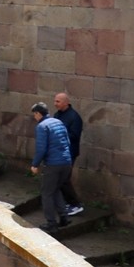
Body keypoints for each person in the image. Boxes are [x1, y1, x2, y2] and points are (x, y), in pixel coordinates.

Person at [30, 102, 74, 234]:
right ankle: (64, 217)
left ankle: (51, 223)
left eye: (34, 115)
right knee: (55, 189)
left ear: (38, 113)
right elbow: (68, 141)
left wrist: (35, 164)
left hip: (53, 164)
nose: (34, 118)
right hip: (66, 162)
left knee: (47, 193)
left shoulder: (42, 126)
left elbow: (41, 148)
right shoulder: (58, 122)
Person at [54, 92, 85, 216]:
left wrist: (59, 134)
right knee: (60, 178)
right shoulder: (57, 115)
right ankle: (69, 202)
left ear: (66, 102)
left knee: (64, 179)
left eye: (58, 101)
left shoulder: (74, 117)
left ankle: (75, 204)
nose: (55, 104)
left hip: (69, 153)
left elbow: (75, 135)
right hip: (59, 152)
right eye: (55, 101)